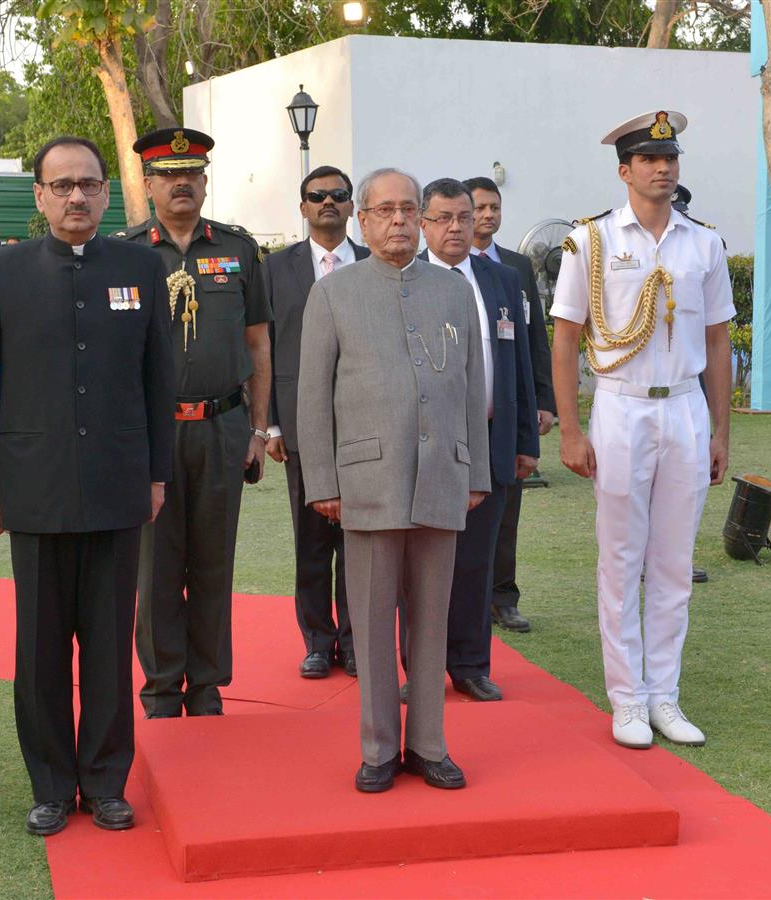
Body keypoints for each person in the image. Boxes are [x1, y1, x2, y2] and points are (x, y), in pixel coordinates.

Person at [0, 135, 176, 834]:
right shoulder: (0, 270)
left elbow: (157, 381)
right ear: (40, 197)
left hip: (118, 484)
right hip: (35, 486)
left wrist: (156, 474)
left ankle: (107, 781)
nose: (76, 196)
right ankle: (51, 785)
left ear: (108, 192)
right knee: (41, 650)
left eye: (88, 184)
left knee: (111, 646)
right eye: (61, 185)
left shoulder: (141, 267)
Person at [297, 167, 490, 793]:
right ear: (362, 218)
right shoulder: (333, 294)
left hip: (442, 473)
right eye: (385, 210)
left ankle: (429, 743)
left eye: (409, 209)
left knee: (432, 617)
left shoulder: (454, 291)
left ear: (424, 218)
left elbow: (472, 388)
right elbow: (311, 397)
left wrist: (476, 469)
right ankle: (380, 747)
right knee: (374, 621)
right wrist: (323, 479)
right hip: (367, 477)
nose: (399, 221)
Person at [551, 110, 732, 750]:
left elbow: (717, 338)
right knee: (622, 560)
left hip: (684, 405)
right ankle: (627, 699)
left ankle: (665, 696)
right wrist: (571, 429)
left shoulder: (704, 243)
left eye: (670, 158)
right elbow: (568, 335)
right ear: (624, 170)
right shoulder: (590, 240)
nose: (663, 168)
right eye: (650, 159)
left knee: (675, 563)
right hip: (621, 405)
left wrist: (720, 431)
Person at [116, 127, 272, 718]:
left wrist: (259, 431)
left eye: (193, 174)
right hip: (151, 433)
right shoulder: (127, 254)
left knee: (213, 559)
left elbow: (258, 344)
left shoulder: (237, 250)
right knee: (154, 567)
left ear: (205, 181)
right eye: (168, 175)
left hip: (223, 426)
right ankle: (160, 688)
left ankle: (206, 686)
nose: (182, 183)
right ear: (149, 184)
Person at [416, 178, 538, 701]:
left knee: (477, 560)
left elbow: (519, 363)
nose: (456, 228)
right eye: (443, 218)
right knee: (420, 563)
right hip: (425, 442)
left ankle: (469, 664)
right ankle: (419, 670)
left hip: (489, 439)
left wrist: (525, 439)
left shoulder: (502, 279)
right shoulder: (408, 278)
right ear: (424, 224)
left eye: (463, 217)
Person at [263, 165, 370, 679]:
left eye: (339, 195)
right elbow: (266, 349)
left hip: (366, 428)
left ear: (352, 207)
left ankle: (353, 643)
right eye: (317, 196)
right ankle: (316, 640)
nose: (328, 202)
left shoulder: (377, 265)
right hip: (302, 426)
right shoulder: (275, 269)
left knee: (359, 540)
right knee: (311, 541)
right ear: (302, 207)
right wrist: (272, 425)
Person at [464, 175, 556, 633]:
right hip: (455, 417)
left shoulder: (516, 267)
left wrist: (543, 400)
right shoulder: (428, 266)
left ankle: (504, 597)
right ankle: (463, 601)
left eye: (493, 207)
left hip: (505, 410)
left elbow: (533, 339)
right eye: (478, 208)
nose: (487, 215)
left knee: (506, 511)